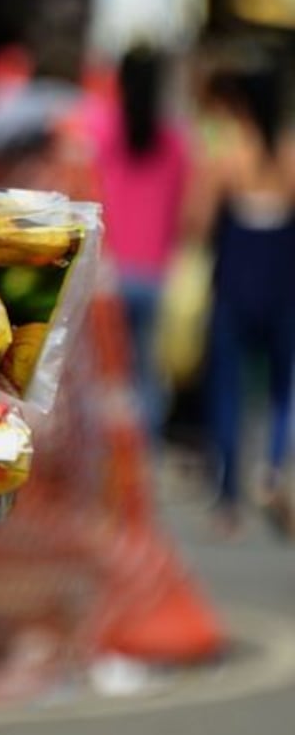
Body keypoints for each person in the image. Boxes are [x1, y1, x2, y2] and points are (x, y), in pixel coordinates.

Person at [188, 53, 295, 535]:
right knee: (280, 391)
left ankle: (229, 499)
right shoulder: (290, 155)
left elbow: (198, 224)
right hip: (283, 284)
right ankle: (274, 473)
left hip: (234, 282)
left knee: (227, 393)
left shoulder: (228, 157)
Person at [80, 44, 192, 436]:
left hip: (105, 272)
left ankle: (103, 471)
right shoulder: (176, 140)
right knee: (144, 375)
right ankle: (141, 468)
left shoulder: (95, 126)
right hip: (153, 275)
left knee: (99, 377)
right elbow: (184, 212)